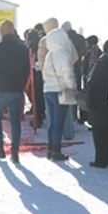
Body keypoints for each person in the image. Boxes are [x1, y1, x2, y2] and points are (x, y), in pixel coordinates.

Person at [0, 20, 30, 163]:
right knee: (15, 121)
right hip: (17, 89)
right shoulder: (23, 48)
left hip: (1, 87)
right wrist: (22, 85)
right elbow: (26, 70)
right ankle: (15, 152)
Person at [42, 23, 77, 161]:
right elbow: (67, 73)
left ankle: (50, 149)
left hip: (48, 90)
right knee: (59, 122)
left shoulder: (49, 54)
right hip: (61, 90)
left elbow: (45, 74)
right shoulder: (63, 53)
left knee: (52, 122)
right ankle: (56, 151)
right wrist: (72, 86)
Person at [86, 38, 108, 168]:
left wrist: (89, 101)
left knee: (99, 131)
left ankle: (100, 159)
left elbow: (92, 82)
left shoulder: (101, 61)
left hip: (99, 101)